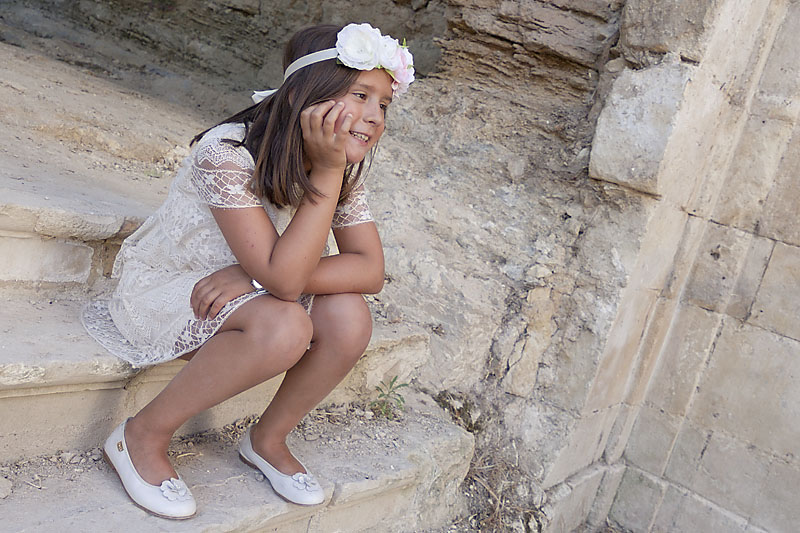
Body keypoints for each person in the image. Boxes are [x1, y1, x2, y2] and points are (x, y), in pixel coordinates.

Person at [81, 22, 414, 519]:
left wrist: (257, 275)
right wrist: (272, 271)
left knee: (350, 316)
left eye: (383, 103)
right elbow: (283, 281)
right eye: (360, 94)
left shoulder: (337, 164)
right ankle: (141, 435)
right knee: (285, 325)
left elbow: (369, 271)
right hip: (181, 287)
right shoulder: (227, 152)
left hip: (259, 285)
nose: (372, 116)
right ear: (306, 93)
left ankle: (267, 438)